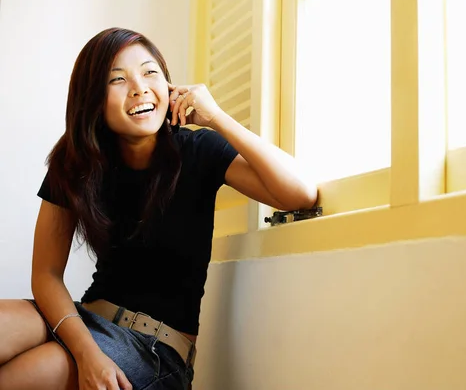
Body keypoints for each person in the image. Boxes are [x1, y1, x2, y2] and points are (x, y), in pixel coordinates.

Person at [0, 27, 317, 390]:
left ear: (168, 85)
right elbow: (46, 274)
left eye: (150, 72)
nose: (139, 87)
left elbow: (301, 193)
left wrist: (216, 117)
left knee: (46, 367)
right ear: (92, 100)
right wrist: (87, 352)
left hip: (158, 352)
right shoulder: (76, 163)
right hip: (89, 320)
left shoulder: (198, 151)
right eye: (117, 79)